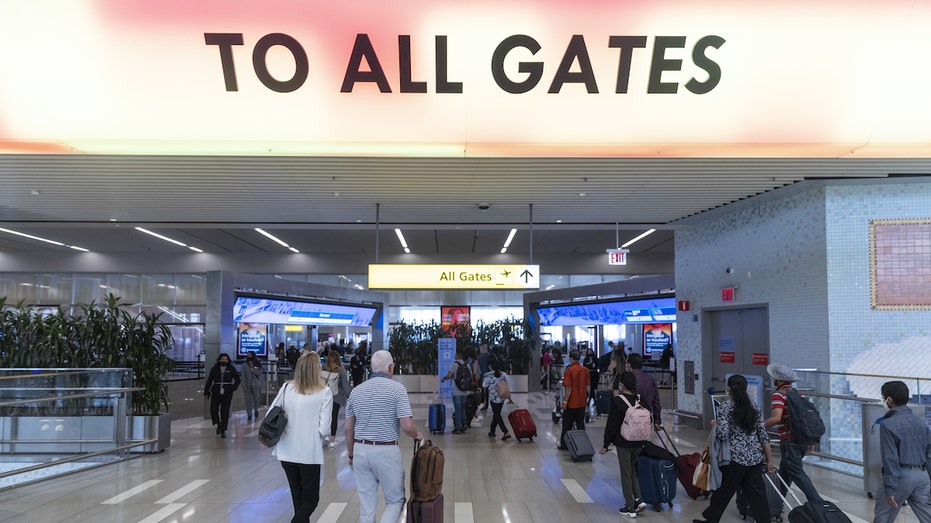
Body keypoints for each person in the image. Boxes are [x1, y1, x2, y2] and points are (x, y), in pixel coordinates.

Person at [344, 350, 423, 523]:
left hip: (360, 451)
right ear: (390, 367)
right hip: (386, 450)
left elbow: (348, 430)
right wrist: (417, 434)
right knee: (395, 501)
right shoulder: (397, 389)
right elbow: (407, 426)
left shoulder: (356, 392)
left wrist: (351, 454)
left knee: (366, 505)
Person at [694, 374, 774, 523]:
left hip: (734, 460)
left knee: (723, 492)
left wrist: (715, 425)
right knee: (757, 495)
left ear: (728, 389)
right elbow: (763, 435)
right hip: (754, 459)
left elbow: (723, 434)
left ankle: (711, 520)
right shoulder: (755, 408)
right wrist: (769, 460)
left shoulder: (726, 407)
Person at [271, 351, 332, 523]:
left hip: (286, 451)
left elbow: (271, 413)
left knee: (298, 499)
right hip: (308, 453)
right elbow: (325, 429)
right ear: (316, 370)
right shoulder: (324, 392)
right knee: (311, 500)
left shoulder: (286, 388)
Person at [873, 380, 931, 523]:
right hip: (922, 476)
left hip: (901, 476)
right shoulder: (920, 422)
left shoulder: (887, 424)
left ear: (889, 399)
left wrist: (890, 488)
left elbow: (890, 459)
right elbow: (929, 454)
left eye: (883, 397)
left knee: (884, 515)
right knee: (927, 515)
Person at [763, 363, 822, 503]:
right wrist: (809, 440)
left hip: (789, 441)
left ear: (777, 380)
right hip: (801, 439)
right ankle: (776, 503)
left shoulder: (778, 395)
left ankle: (819, 504)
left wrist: (759, 426)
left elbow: (777, 418)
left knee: (796, 472)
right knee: (785, 473)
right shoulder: (798, 394)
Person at [600, 371, 647, 518]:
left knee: (626, 472)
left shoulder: (618, 401)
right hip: (640, 441)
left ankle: (629, 506)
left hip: (624, 441)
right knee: (632, 469)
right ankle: (639, 499)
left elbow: (612, 425)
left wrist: (606, 444)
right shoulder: (640, 400)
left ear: (622, 384)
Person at [558, 350, 590, 450]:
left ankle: (564, 445)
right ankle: (582, 444)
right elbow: (588, 386)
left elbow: (569, 388)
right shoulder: (585, 370)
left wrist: (564, 402)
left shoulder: (569, 370)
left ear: (571, 358)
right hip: (582, 401)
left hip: (572, 402)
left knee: (567, 424)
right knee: (580, 424)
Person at [204, 353, 241, 438]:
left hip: (227, 392)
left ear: (228, 361)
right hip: (216, 391)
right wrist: (206, 392)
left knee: (225, 411)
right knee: (213, 409)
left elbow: (237, 380)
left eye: (226, 359)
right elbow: (209, 381)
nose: (224, 361)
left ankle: (223, 430)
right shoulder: (214, 369)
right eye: (222, 359)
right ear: (219, 360)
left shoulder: (231, 369)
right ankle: (218, 424)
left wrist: (232, 388)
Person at [624, 353, 663, 431]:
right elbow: (656, 401)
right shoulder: (650, 378)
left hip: (629, 417)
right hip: (646, 417)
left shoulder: (627, 379)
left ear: (629, 365)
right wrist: (657, 420)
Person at [322, 349, 351, 448]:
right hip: (336, 397)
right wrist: (350, 397)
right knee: (334, 416)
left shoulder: (323, 368)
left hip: (324, 396)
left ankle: (325, 435)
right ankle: (332, 439)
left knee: (325, 415)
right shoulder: (341, 370)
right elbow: (345, 386)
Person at [441, 348, 471, 434]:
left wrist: (443, 378)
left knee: (458, 409)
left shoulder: (453, 365)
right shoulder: (467, 365)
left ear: (456, 356)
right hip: (465, 391)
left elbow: (450, 375)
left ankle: (458, 428)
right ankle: (464, 425)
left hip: (456, 391)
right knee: (463, 408)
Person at [482, 355, 512, 440]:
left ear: (490, 366)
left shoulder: (487, 375)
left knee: (497, 415)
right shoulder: (504, 374)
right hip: (502, 397)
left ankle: (505, 432)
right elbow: (507, 385)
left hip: (493, 398)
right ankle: (492, 431)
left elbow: (484, 385)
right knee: (496, 414)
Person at [241, 350, 264, 421]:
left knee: (256, 398)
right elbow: (243, 375)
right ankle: (249, 414)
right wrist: (244, 384)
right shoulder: (244, 364)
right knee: (248, 400)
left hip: (256, 384)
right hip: (247, 384)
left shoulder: (258, 363)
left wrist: (254, 370)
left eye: (250, 355)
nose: (249, 357)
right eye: (247, 355)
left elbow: (260, 373)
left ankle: (256, 410)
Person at [477, 343, 491, 411]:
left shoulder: (479, 357)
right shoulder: (491, 356)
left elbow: (478, 368)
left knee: (484, 391)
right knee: (489, 391)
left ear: (482, 349)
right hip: (491, 376)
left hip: (483, 376)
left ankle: (485, 404)